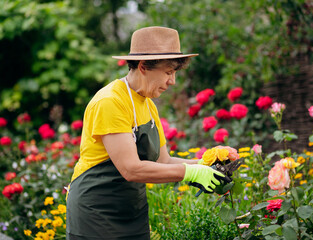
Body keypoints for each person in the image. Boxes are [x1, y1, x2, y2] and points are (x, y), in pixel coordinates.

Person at [66, 26, 227, 240]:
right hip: (96, 213)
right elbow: (131, 169)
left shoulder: (148, 105)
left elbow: (164, 161)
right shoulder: (110, 102)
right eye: (168, 72)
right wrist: (190, 174)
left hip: (132, 213)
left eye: (175, 73)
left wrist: (206, 164)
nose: (173, 81)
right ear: (143, 66)